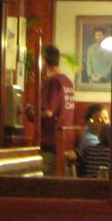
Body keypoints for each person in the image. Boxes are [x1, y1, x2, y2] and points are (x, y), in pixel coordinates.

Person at [38, 44, 75, 176]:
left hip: (51, 144)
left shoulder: (52, 82)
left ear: (44, 60)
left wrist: (30, 112)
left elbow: (48, 112)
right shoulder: (68, 82)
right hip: (65, 143)